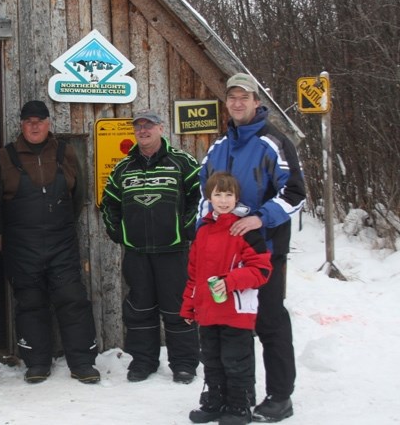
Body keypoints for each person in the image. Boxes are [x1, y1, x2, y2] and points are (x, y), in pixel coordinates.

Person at [198, 73, 306, 422]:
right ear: (226, 102)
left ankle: (280, 396)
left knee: (270, 322)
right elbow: (203, 197)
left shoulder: (274, 142)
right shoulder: (218, 148)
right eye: (232, 97)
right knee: (230, 327)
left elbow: (294, 193)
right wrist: (202, 234)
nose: (238, 103)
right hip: (222, 258)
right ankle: (236, 397)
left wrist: (261, 218)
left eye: (245, 97)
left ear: (257, 101)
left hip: (264, 252)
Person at [0, 100, 100, 384]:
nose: (34, 125)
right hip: (21, 244)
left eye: (40, 120)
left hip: (60, 241)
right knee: (30, 302)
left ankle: (83, 362)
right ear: (22, 125)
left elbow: (78, 197)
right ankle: (37, 363)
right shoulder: (4, 157)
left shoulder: (66, 153)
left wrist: (60, 226)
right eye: (29, 121)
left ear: (49, 123)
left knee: (72, 299)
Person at [100, 109, 201, 384]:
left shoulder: (182, 162)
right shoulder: (123, 168)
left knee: (178, 309)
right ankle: (143, 362)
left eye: (148, 126)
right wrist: (119, 232)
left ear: (160, 128)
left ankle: (184, 364)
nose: (143, 131)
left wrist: (186, 226)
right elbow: (108, 203)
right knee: (140, 309)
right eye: (138, 127)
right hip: (137, 252)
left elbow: (201, 196)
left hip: (174, 251)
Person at [181, 172, 272, 425]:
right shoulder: (203, 231)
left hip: (236, 310)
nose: (223, 200)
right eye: (217, 194)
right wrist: (189, 306)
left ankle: (239, 406)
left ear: (237, 197)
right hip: (208, 311)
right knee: (211, 359)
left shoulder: (245, 229)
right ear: (209, 198)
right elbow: (194, 274)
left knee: (235, 361)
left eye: (228, 194)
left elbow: (261, 270)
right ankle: (215, 401)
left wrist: (230, 281)